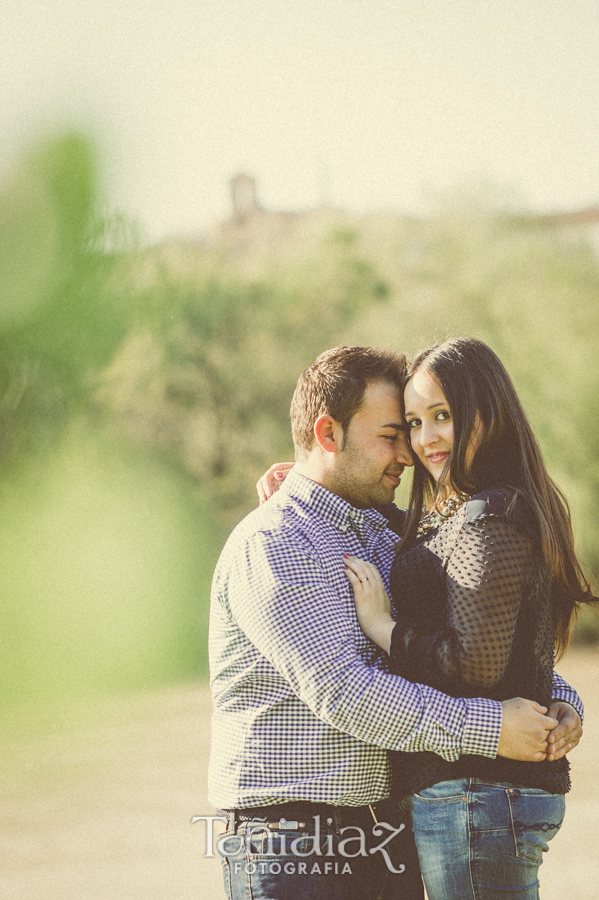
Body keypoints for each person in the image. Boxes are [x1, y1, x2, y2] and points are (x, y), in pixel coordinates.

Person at [210, 345, 582, 900]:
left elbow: (466, 639)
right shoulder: (276, 543)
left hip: (393, 832)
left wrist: (559, 699)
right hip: (297, 845)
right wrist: (492, 728)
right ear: (328, 433)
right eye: (393, 433)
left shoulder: (391, 537)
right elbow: (346, 692)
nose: (409, 454)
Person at [339, 337, 593, 900]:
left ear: (489, 413)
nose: (426, 438)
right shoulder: (465, 513)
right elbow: (509, 654)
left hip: (476, 794)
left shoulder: (487, 517)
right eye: (412, 422)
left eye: (443, 416)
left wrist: (383, 628)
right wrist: (301, 479)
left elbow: (475, 664)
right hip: (478, 794)